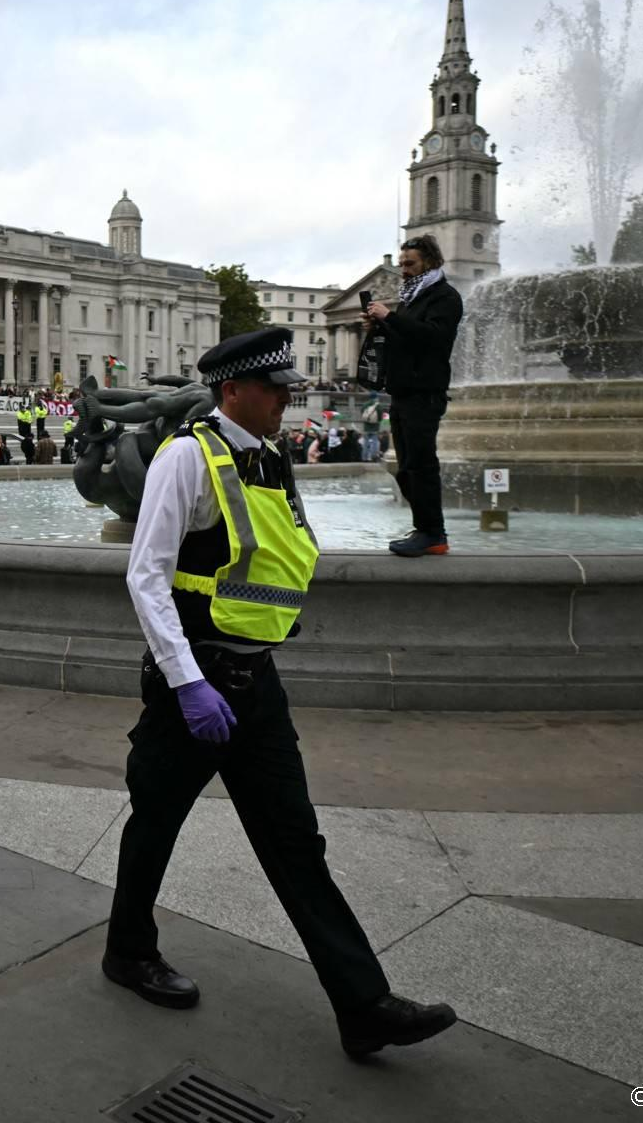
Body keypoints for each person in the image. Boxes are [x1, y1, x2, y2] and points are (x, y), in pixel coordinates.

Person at [109, 325, 455, 1059]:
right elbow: (147, 577)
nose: (285, 404)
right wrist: (188, 682)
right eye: (275, 391)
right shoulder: (185, 458)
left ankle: (363, 1005)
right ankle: (128, 951)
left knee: (297, 843)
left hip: (257, 683)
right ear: (233, 389)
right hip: (193, 685)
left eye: (289, 392)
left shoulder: (271, 460)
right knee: (156, 822)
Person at [365, 234, 462, 556]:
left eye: (410, 263)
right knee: (406, 467)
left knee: (421, 464)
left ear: (430, 262)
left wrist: (389, 317)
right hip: (403, 391)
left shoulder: (445, 297)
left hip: (425, 391)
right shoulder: (411, 298)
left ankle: (433, 533)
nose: (403, 269)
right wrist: (379, 327)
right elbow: (405, 341)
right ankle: (425, 526)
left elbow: (434, 338)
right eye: (403, 263)